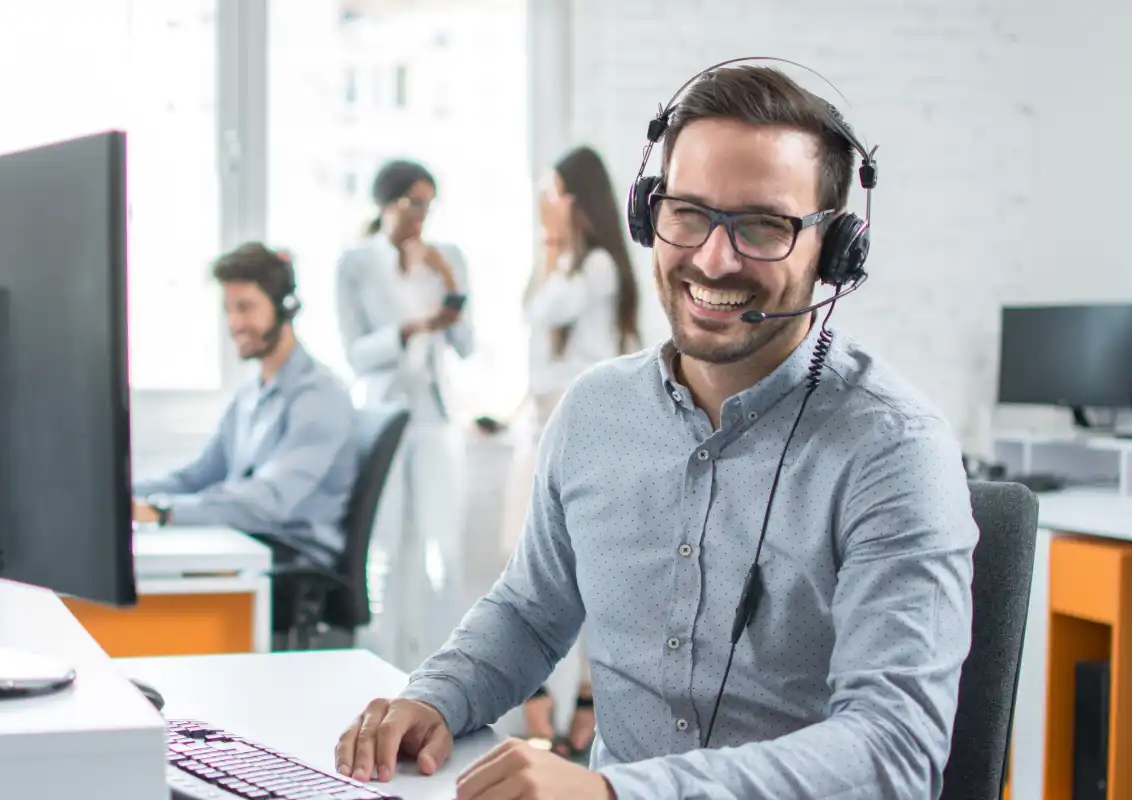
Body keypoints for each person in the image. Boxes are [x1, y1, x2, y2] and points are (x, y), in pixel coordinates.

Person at [334, 63, 978, 800]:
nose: (712, 257)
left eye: (763, 225)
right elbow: (528, 611)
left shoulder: (894, 449)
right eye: (688, 213)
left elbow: (894, 751)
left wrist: (616, 794)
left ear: (834, 251)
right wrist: (435, 697)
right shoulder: (595, 412)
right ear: (649, 214)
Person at [133, 242, 358, 632]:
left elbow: (268, 501)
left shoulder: (319, 396)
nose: (235, 323)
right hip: (249, 549)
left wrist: (163, 512)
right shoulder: (250, 395)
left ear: (285, 306)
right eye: (229, 310)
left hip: (291, 568)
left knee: (152, 593)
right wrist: (121, 495)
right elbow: (197, 475)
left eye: (246, 307)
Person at [505, 145, 640, 761]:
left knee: (576, 569)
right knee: (526, 568)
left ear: (578, 199)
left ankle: (576, 704)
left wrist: (551, 244)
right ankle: (547, 704)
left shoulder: (600, 269)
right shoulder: (573, 265)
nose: (548, 207)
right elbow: (535, 325)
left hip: (578, 432)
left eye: (556, 194)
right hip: (540, 424)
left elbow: (541, 308)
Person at [334, 159, 475, 673]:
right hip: (384, 415)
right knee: (384, 554)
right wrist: (411, 328)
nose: (421, 215)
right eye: (413, 203)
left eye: (428, 204)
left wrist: (447, 281)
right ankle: (376, 672)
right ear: (385, 203)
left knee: (442, 556)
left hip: (434, 418)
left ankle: (446, 676)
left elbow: (465, 342)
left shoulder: (448, 257)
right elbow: (356, 353)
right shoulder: (356, 264)